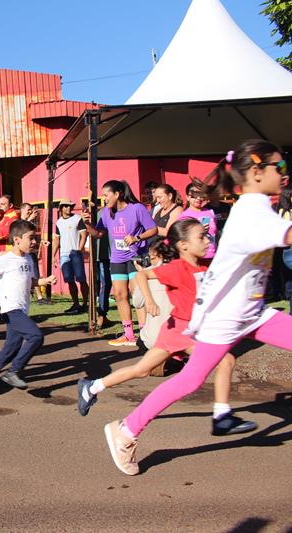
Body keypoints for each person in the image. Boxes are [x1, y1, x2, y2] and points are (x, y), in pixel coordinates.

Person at [103, 140, 292, 476]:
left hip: (252, 312)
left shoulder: (259, 205)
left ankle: (130, 429)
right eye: (279, 167)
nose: (285, 173)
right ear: (257, 172)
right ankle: (126, 431)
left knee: (191, 379)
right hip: (226, 318)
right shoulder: (251, 211)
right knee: (189, 381)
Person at [79, 218, 256, 437]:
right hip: (182, 331)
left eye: (207, 235)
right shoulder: (176, 268)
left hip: (177, 330)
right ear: (183, 245)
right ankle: (221, 416)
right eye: (201, 236)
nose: (207, 240)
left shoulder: (203, 265)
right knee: (226, 360)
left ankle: (92, 387)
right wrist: (150, 300)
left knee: (141, 370)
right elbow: (142, 274)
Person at [0, 220, 57, 394]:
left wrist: (44, 281)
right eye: (30, 238)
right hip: (10, 309)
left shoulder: (29, 259)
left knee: (11, 348)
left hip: (22, 308)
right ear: (16, 240)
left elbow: (29, 281)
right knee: (36, 336)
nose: (34, 242)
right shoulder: (6, 259)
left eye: (35, 238)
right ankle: (13, 371)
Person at [82, 180, 158, 347]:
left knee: (135, 293)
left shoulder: (137, 209)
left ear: (117, 194)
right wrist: (87, 223)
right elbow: (98, 233)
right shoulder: (107, 213)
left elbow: (153, 229)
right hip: (117, 258)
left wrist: (136, 238)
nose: (104, 199)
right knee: (119, 295)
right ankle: (129, 334)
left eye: (106, 195)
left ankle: (144, 334)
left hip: (135, 257)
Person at [52, 201, 88, 314]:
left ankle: (86, 304)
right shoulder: (58, 222)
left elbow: (84, 235)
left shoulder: (77, 219)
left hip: (75, 252)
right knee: (69, 279)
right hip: (64, 255)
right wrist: (53, 255)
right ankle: (76, 304)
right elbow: (57, 240)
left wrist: (79, 249)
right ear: (61, 208)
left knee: (81, 279)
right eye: (66, 206)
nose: (68, 208)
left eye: (70, 206)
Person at [179, 182, 218, 265]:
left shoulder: (210, 212)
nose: (198, 198)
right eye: (194, 196)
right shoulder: (184, 216)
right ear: (187, 197)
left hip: (214, 257)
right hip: (198, 258)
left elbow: (216, 233)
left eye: (200, 195)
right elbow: (183, 238)